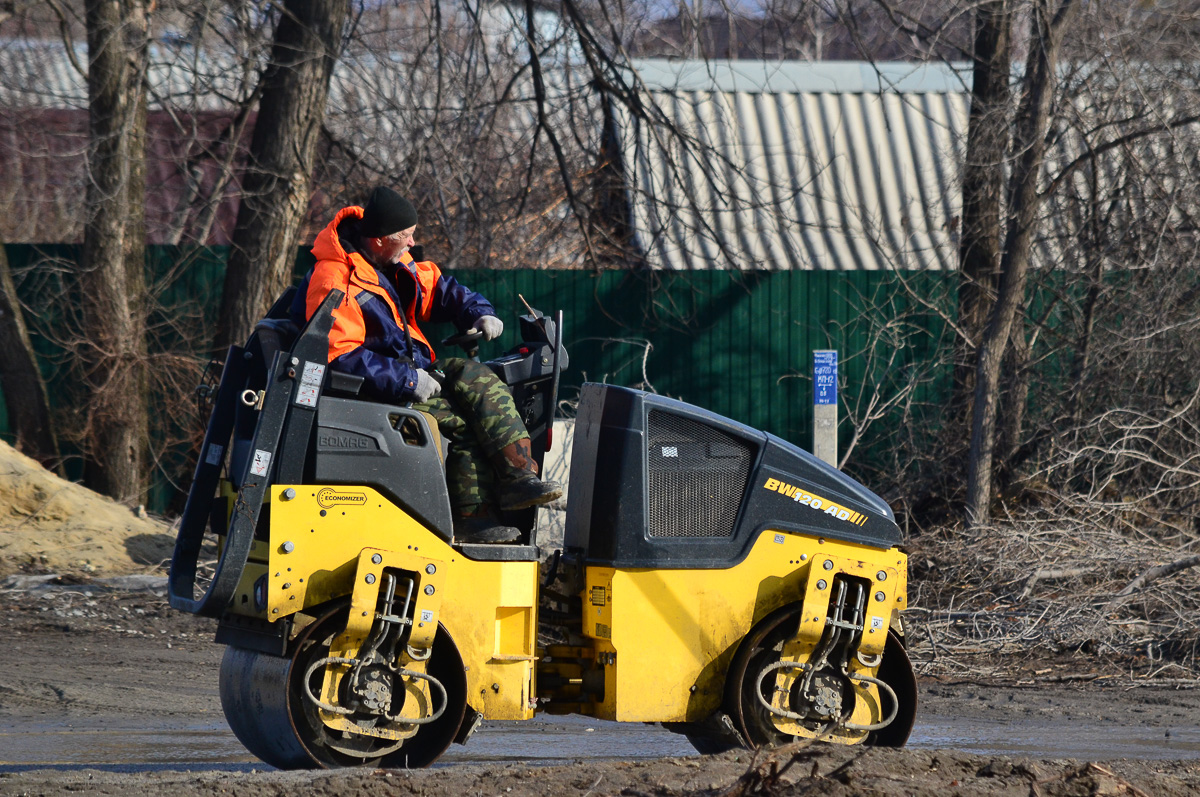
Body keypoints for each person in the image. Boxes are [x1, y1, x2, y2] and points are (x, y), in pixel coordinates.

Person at [291, 186, 561, 543]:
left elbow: (439, 289)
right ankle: (472, 519)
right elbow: (337, 356)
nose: (413, 241)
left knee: (476, 377)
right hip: (375, 389)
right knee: (462, 423)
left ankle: (520, 478)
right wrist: (407, 380)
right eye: (406, 235)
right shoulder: (334, 279)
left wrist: (478, 312)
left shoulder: (392, 261)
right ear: (380, 240)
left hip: (414, 368)